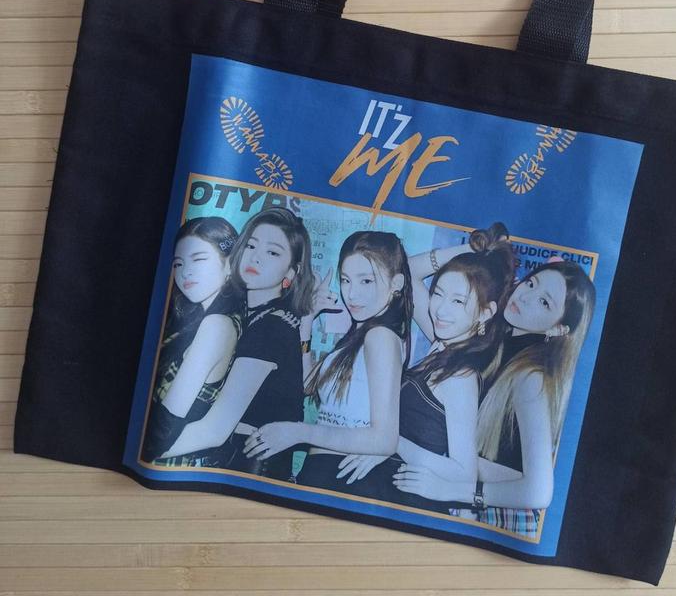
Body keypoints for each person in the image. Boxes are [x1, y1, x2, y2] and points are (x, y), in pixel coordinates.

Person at [392, 256, 596, 535]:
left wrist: (453, 487)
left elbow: (538, 491)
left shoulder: (530, 377)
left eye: (544, 302)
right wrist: (477, 245)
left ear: (558, 328)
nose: (525, 297)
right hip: (449, 489)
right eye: (531, 283)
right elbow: (408, 273)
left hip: (493, 516)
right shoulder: (485, 338)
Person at [335, 223, 516, 513]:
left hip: (409, 504)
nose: (441, 309)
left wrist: (390, 443)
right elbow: (407, 271)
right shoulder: (441, 343)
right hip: (387, 493)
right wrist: (476, 251)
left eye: (458, 301)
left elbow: (463, 473)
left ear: (485, 313)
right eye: (438, 294)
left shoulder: (461, 376)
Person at [242, 230, 413, 493]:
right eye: (345, 280)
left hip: (345, 476)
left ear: (396, 283)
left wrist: (298, 432)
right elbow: (308, 385)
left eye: (366, 281)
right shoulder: (361, 332)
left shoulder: (380, 336)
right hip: (325, 471)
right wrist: (308, 321)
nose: (352, 294)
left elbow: (384, 439)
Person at [159, 206, 316, 480]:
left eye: (273, 252)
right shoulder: (251, 315)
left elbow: (214, 430)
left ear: (292, 271)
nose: (256, 257)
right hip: (236, 466)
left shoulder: (271, 326)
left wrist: (145, 449)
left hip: (250, 471)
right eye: (251, 246)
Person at [141, 216, 242, 466]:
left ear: (230, 264)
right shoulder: (204, 320)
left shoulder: (217, 325)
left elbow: (163, 428)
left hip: (170, 466)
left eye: (198, 259)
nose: (185, 272)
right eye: (178, 263)